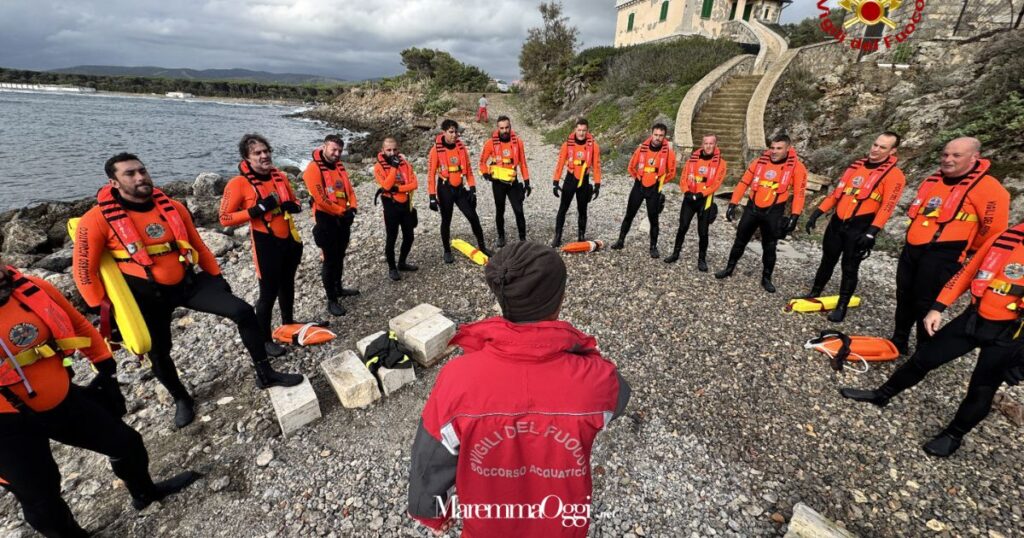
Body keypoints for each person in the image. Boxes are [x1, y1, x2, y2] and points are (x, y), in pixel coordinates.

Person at [407, 241, 631, 536]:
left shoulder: (456, 379)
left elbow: (431, 460)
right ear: (560, 300)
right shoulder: (598, 380)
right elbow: (619, 401)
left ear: (500, 298)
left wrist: (432, 512)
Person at [75, 152, 301, 429]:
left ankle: (265, 373)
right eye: (130, 174)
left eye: (142, 171)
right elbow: (84, 271)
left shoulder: (171, 207)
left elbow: (198, 245)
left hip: (187, 283)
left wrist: (217, 277)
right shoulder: (96, 219)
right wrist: (103, 310)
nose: (140, 177)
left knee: (243, 311)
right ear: (114, 182)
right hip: (145, 293)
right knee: (159, 351)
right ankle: (181, 398)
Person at [0, 263, 200, 537]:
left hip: (61, 399)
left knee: (126, 444)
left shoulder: (31, 287)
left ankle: (145, 493)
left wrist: (106, 369)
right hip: (8, 426)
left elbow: (78, 325)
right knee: (41, 496)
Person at [840, 222, 1024, 457]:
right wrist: (937, 308)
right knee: (923, 359)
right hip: (974, 319)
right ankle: (881, 395)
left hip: (1013, 333)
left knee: (982, 388)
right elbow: (967, 273)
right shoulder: (1005, 236)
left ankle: (953, 435)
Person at [888, 137, 1010, 355]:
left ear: (974, 157)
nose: (948, 159)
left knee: (926, 304)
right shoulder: (934, 180)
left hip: (944, 253)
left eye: (956, 155)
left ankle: (923, 352)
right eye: (945, 154)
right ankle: (899, 341)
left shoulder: (990, 188)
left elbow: (993, 232)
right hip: (913, 249)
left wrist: (969, 250)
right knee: (904, 295)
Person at [221, 134, 312, 358]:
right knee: (268, 293)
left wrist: (295, 206)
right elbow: (224, 218)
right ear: (247, 158)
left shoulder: (280, 177)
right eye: (257, 153)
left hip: (289, 240)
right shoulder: (239, 183)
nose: (264, 156)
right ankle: (264, 340)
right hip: (265, 243)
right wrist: (255, 210)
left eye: (266, 151)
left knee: (288, 284)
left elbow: (296, 201)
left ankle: (288, 323)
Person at [803, 132, 907, 322]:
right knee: (827, 260)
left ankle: (842, 305)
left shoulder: (894, 175)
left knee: (849, 267)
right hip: (837, 223)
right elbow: (836, 194)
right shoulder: (855, 167)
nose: (876, 149)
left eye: (882, 147)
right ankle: (814, 292)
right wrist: (817, 213)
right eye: (875, 144)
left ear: (892, 151)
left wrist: (871, 233)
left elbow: (887, 207)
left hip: (860, 226)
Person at [715, 134, 808, 293]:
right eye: (772, 148)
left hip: (773, 211)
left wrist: (795, 216)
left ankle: (766, 278)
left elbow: (799, 193)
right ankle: (729, 268)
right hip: (752, 208)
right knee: (740, 240)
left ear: (788, 149)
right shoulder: (759, 162)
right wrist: (733, 203)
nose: (774, 151)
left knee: (769, 246)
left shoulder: (797, 168)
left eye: (779, 148)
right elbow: (744, 182)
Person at [303, 134, 359, 317]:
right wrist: (341, 212)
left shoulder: (340, 166)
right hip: (326, 218)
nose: (336, 154)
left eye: (339, 151)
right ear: (324, 147)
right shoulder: (313, 169)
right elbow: (320, 198)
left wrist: (353, 208)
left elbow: (349, 190)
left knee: (340, 255)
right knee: (329, 259)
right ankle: (331, 299)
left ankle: (339, 287)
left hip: (343, 216)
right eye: (333, 149)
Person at [427, 119, 490, 263]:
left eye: (456, 131)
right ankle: (447, 251)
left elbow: (468, 170)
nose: (454, 135)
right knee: (446, 220)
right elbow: (430, 175)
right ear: (444, 132)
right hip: (444, 189)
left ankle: (483, 247)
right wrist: (432, 196)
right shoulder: (435, 150)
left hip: (460, 189)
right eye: (451, 132)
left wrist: (473, 188)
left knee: (473, 217)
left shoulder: (461, 148)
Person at [611, 123, 677, 258]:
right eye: (656, 135)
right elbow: (631, 166)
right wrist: (638, 178)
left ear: (664, 137)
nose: (658, 138)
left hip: (654, 188)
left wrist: (660, 181)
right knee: (629, 214)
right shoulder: (642, 149)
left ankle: (653, 246)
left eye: (661, 136)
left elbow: (672, 172)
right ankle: (620, 240)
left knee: (654, 219)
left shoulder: (668, 152)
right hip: (639, 186)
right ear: (651, 134)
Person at [664, 134, 728, 270]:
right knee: (682, 227)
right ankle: (675, 253)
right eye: (706, 143)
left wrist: (701, 194)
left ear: (716, 145)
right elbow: (684, 177)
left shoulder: (721, 164)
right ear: (702, 144)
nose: (708, 146)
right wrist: (686, 191)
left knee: (703, 231)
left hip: (705, 199)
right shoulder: (692, 160)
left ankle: (702, 259)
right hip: (689, 198)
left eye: (711, 143)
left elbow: (717, 183)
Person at [479, 115, 531, 247]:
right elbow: (482, 162)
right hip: (498, 182)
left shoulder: (518, 142)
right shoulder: (490, 143)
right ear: (498, 128)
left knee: (518, 210)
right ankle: (501, 236)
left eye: (507, 127)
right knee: (500, 210)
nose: (505, 130)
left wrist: (527, 182)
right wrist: (486, 174)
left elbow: (523, 163)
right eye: (502, 128)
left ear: (510, 127)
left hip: (513, 181)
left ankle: (522, 238)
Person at [551, 118, 602, 248]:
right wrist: (556, 182)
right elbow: (560, 164)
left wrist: (597, 184)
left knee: (582, 209)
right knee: (563, 208)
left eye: (584, 130)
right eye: (579, 130)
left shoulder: (594, 146)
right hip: (570, 179)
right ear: (575, 130)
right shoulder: (567, 145)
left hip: (584, 181)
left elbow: (596, 165)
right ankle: (558, 236)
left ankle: (581, 235)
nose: (581, 133)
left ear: (587, 131)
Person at [375, 137, 419, 282]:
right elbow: (386, 186)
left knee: (409, 236)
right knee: (391, 238)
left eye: (394, 149)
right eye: (388, 150)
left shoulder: (405, 163)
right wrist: (393, 167)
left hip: (405, 204)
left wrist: (398, 188)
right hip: (390, 205)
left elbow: (414, 184)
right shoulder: (379, 167)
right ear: (383, 151)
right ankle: (392, 268)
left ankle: (402, 263)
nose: (392, 152)